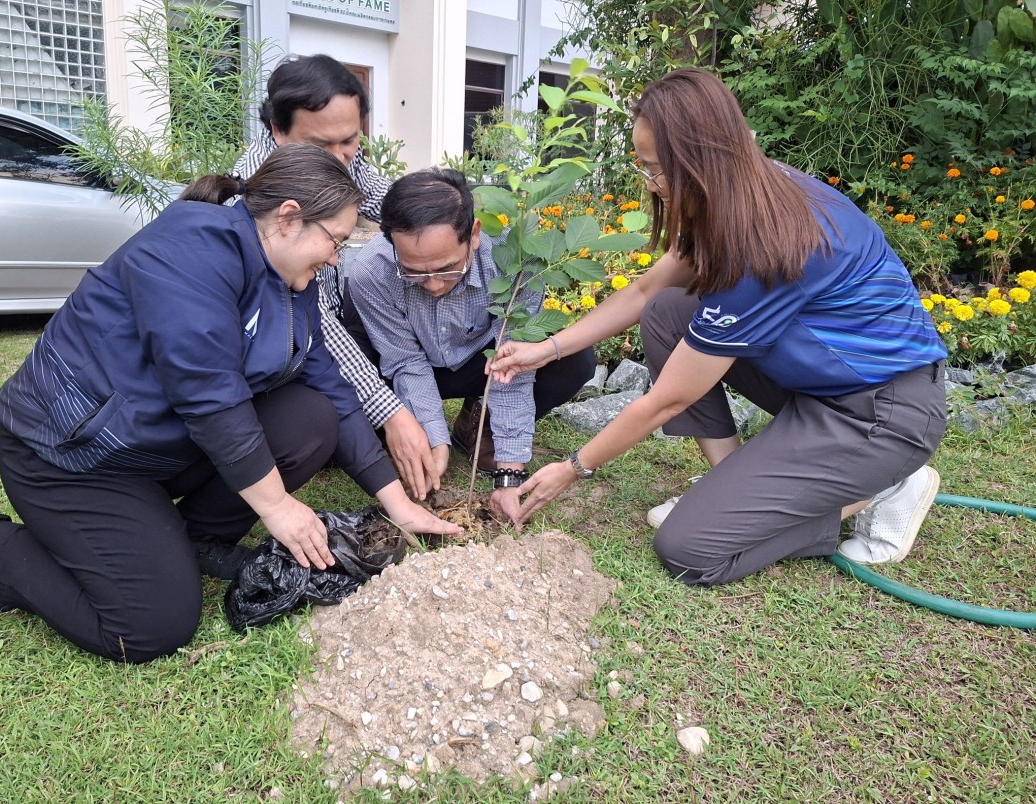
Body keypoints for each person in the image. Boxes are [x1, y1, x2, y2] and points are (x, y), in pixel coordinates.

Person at [0, 145, 461, 663]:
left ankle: (193, 541)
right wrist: (276, 507)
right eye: (335, 241)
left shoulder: (291, 279)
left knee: (310, 418)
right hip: (72, 456)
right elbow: (209, 394)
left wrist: (397, 504)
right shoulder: (190, 251)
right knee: (151, 627)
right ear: (287, 219)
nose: (335, 258)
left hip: (159, 447)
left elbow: (330, 384)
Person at [490, 68, 948, 584]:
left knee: (689, 547)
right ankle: (730, 484)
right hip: (828, 388)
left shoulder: (763, 246)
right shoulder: (738, 192)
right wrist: (545, 349)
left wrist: (573, 467)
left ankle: (881, 490)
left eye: (656, 170)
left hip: (881, 414)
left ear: (699, 161)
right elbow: (646, 292)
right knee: (668, 311)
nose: (653, 185)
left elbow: (668, 398)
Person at [235, 54, 435, 499]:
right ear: (277, 131)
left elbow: (393, 203)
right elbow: (313, 322)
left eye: (350, 140)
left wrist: (447, 215)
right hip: (276, 353)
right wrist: (392, 414)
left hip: (319, 329)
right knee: (316, 419)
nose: (341, 158)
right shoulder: (255, 200)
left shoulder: (345, 161)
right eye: (322, 146)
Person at [342, 168, 595, 520]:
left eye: (447, 269)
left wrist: (509, 475)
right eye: (414, 272)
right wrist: (433, 437)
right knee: (350, 400)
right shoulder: (371, 270)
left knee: (574, 360)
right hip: (406, 366)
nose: (431, 284)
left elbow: (513, 366)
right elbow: (405, 363)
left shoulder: (517, 263)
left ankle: (479, 426)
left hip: (482, 362)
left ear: (473, 234)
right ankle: (404, 438)